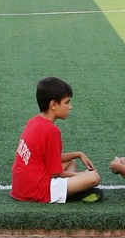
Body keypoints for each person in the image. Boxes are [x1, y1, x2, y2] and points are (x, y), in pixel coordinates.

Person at [11, 76, 102, 204]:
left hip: (21, 187)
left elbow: (50, 158)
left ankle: (70, 190)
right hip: (37, 190)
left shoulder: (34, 121)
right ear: (53, 105)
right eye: (67, 102)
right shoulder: (51, 130)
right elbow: (55, 173)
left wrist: (78, 154)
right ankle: (71, 193)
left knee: (71, 163)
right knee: (94, 178)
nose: (70, 107)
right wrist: (81, 175)